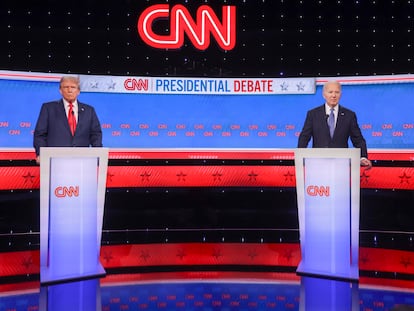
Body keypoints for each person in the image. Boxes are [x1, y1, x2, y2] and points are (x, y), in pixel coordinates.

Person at [297, 80, 372, 169]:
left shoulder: (349, 115)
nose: (333, 95)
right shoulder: (313, 114)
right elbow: (304, 137)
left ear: (340, 94)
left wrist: (363, 157)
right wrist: (299, 157)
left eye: (337, 92)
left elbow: (358, 139)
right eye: (330, 92)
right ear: (324, 94)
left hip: (341, 165)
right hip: (318, 164)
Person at [33, 75, 103, 164]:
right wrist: (41, 154)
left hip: (82, 161)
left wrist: (98, 154)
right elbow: (40, 134)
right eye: (66, 87)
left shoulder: (89, 110)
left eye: (73, 87)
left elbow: (95, 134)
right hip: (55, 161)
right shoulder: (48, 108)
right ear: (60, 90)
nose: (69, 90)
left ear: (78, 91)